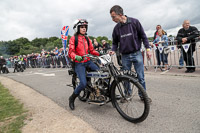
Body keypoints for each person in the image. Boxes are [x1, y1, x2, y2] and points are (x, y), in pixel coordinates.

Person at [109, 5, 152, 102]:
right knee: (125, 77)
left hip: (137, 53)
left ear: (120, 14)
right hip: (125, 56)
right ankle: (127, 95)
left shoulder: (134, 22)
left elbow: (143, 36)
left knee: (140, 77)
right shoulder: (116, 28)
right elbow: (115, 42)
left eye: (113, 16)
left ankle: (143, 96)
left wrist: (148, 49)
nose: (112, 19)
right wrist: (113, 49)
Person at [68, 19, 100, 110]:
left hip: (88, 61)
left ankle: (96, 89)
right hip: (79, 63)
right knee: (83, 83)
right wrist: (76, 57)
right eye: (82, 27)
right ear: (77, 28)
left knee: (102, 74)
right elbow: (71, 52)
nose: (84, 28)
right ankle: (72, 98)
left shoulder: (87, 38)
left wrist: (100, 53)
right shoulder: (73, 38)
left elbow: (92, 50)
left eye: (85, 27)